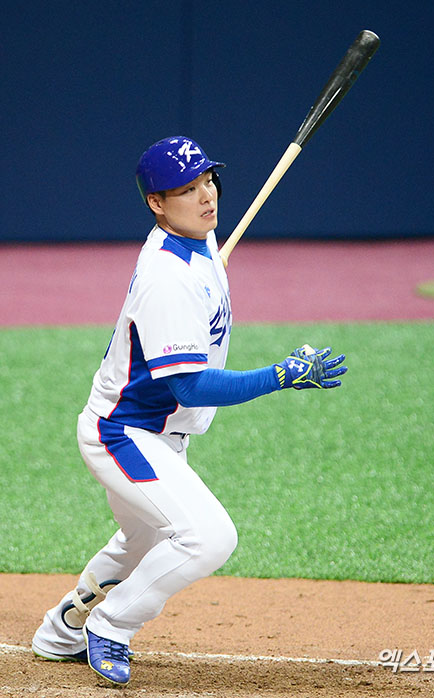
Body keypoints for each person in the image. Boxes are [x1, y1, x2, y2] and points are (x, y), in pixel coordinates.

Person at [31, 136, 348, 686]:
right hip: (123, 434)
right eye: (186, 189)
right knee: (208, 536)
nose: (206, 196)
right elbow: (191, 386)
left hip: (157, 433)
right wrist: (280, 375)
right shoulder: (167, 279)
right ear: (156, 203)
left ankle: (62, 630)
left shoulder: (197, 241)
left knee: (142, 541)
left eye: (208, 181)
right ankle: (112, 623)